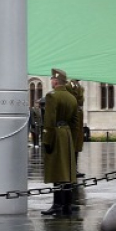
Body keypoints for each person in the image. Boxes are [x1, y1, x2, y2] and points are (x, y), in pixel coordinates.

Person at [41, 68, 78, 216]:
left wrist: (47, 140)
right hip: (67, 135)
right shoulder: (72, 98)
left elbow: (49, 121)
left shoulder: (52, 96)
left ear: (55, 81)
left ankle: (57, 204)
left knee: (56, 170)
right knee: (66, 171)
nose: (51, 82)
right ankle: (67, 204)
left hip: (56, 134)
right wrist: (73, 142)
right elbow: (75, 123)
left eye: (51, 79)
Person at [67, 79, 85, 177]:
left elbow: (81, 102)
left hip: (79, 118)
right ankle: (69, 169)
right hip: (71, 119)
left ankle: (74, 169)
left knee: (77, 145)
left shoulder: (80, 88)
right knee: (70, 145)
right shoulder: (67, 86)